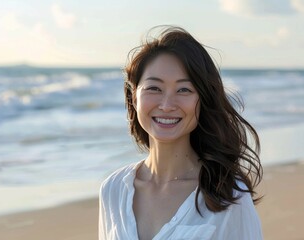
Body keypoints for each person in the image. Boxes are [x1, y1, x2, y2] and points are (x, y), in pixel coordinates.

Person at [99, 26, 263, 240]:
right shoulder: (113, 190)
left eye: (184, 90)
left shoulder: (228, 196)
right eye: (154, 88)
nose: (167, 105)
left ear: (202, 100)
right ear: (134, 97)